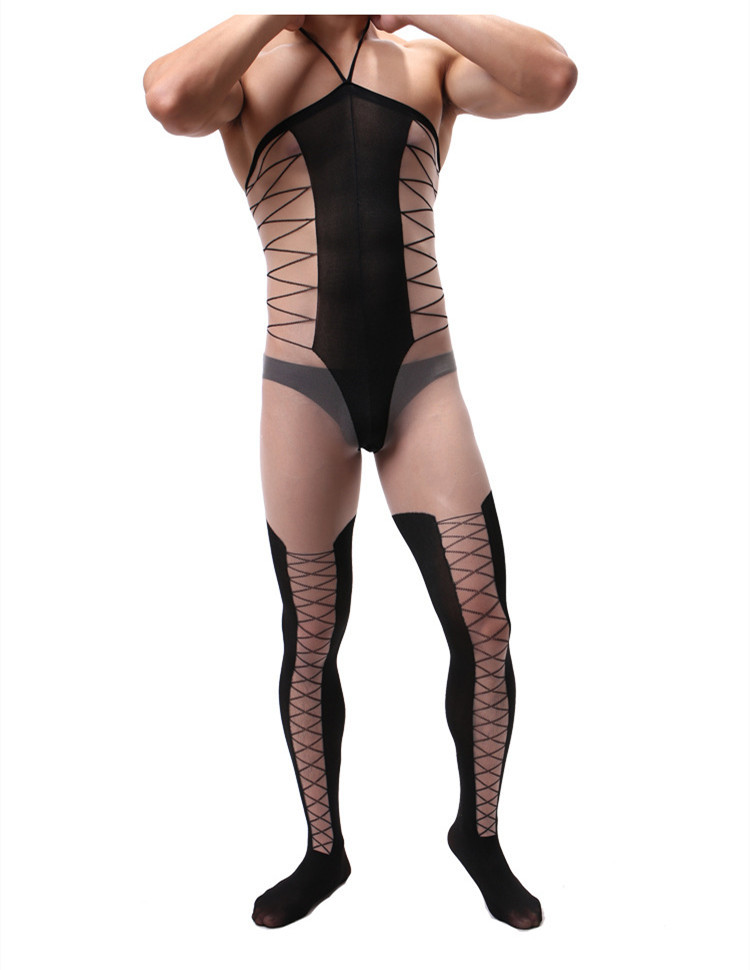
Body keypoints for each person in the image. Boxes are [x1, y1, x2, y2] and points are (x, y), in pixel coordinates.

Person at [143, 13, 577, 930]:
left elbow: (554, 79)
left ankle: (480, 835)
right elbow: (169, 99)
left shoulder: (424, 63)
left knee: (485, 623)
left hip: (425, 383)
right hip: (304, 386)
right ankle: (323, 852)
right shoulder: (251, 72)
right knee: (311, 636)